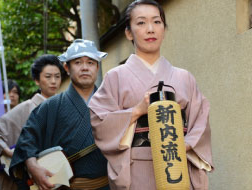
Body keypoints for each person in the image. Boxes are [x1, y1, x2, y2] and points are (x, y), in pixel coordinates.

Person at [89, 0, 214, 190]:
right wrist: (136, 111)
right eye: (141, 23)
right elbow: (100, 121)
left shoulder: (184, 77)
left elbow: (201, 120)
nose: (150, 29)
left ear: (164, 29)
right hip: (137, 166)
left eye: (157, 22)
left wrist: (184, 146)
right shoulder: (116, 77)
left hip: (176, 163)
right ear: (129, 32)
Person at [9, 39, 109, 190]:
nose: (84, 68)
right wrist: (32, 165)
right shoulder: (50, 106)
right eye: (77, 63)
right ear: (66, 67)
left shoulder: (110, 102)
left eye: (90, 62)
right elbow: (27, 140)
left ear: (97, 66)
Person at [0, 54, 65, 190]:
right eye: (48, 77)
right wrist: (9, 152)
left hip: (59, 172)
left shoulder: (64, 106)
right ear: (36, 80)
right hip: (30, 177)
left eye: (57, 76)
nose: (53, 81)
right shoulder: (26, 107)